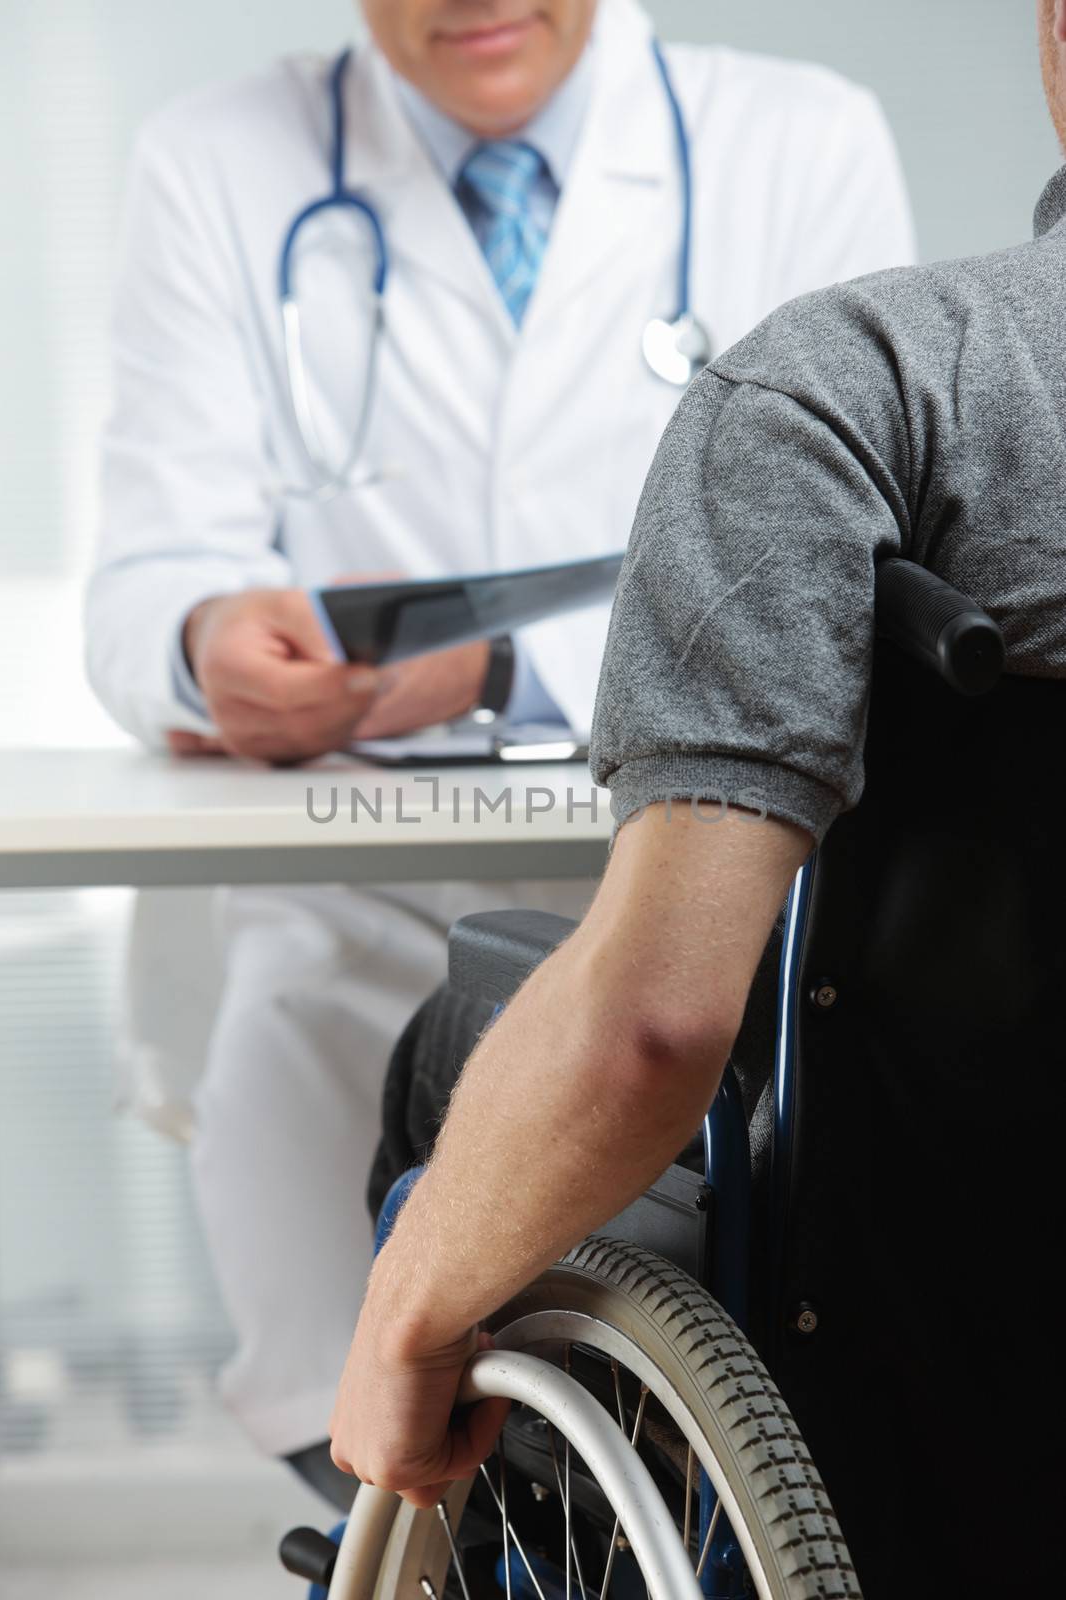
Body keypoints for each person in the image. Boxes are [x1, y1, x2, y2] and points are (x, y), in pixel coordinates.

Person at [86, 0, 914, 1502]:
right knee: (355, 1437)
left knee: (687, 1449)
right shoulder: (216, 161)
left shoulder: (797, 142)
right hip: (335, 923)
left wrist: (492, 669)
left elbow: (846, 579)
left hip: (686, 907)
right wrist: (200, 635)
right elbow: (143, 569)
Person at [329, 0, 1066, 1584]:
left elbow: (654, 1028)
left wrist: (407, 1320)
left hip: (945, 1378)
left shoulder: (861, 386)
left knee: (457, 1049)